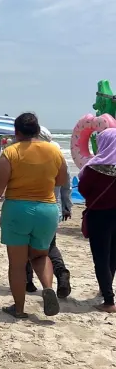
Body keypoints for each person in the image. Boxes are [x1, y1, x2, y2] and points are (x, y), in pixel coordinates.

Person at [0, 112, 67, 319]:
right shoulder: (55, 151)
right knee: (40, 255)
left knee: (17, 263)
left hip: (18, 210)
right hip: (47, 210)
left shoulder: (11, 152)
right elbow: (61, 180)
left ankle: (19, 309)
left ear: (17, 132)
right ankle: (47, 287)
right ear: (38, 130)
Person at [25, 127, 72, 298]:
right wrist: (67, 206)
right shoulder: (59, 155)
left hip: (29, 207)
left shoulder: (29, 154)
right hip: (53, 208)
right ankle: (61, 273)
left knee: (24, 244)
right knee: (49, 245)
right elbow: (66, 185)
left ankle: (27, 281)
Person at [78, 128, 116, 313]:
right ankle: (105, 289)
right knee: (113, 254)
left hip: (99, 215)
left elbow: (83, 190)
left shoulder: (94, 168)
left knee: (100, 256)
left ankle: (109, 300)